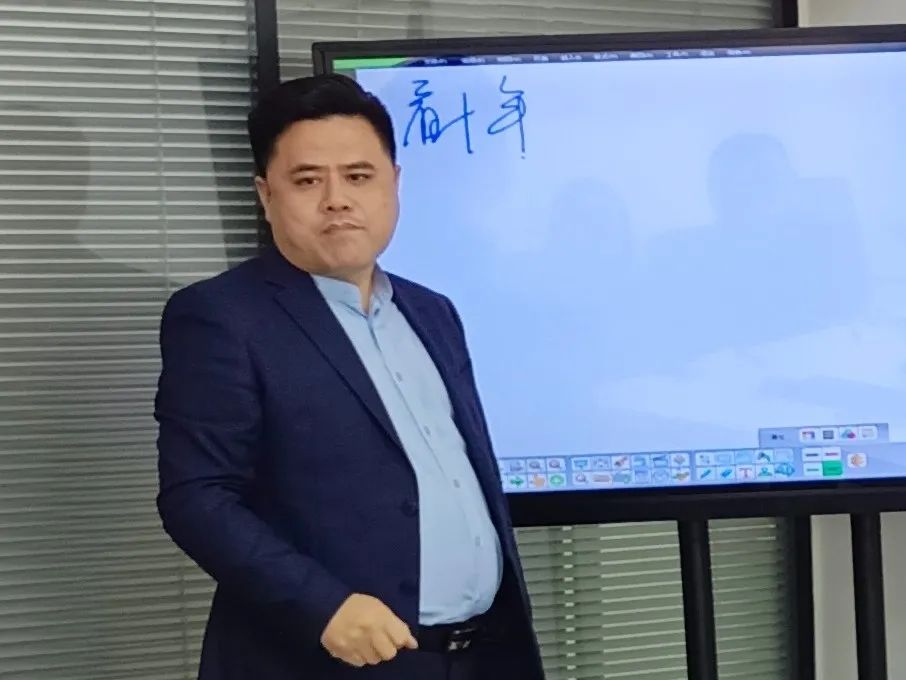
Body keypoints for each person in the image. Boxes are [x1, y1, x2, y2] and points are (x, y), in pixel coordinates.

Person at [154, 73, 546, 680]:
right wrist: (324, 608)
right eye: (308, 180)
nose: (337, 199)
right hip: (327, 662)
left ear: (394, 184)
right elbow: (197, 498)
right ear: (266, 195)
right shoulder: (221, 317)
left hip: (481, 655)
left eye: (359, 176)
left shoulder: (433, 312)